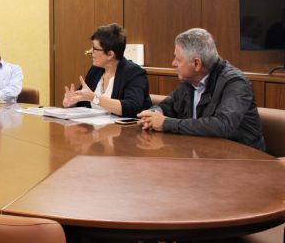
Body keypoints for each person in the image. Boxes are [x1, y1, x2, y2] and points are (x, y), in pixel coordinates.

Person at [138, 28, 266, 151]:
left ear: (197, 64)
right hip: (203, 154)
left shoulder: (235, 83)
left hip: (242, 160)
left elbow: (223, 125)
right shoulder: (189, 81)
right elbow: (167, 107)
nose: (173, 64)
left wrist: (166, 124)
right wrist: (153, 114)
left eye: (178, 59)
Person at [62, 23, 152, 118]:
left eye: (94, 48)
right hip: (94, 129)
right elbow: (83, 100)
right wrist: (71, 102)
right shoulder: (96, 70)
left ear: (110, 54)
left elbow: (132, 108)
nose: (90, 52)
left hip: (125, 131)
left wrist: (95, 98)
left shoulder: (134, 73)